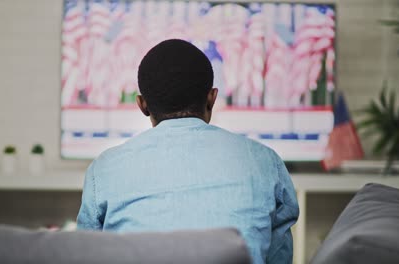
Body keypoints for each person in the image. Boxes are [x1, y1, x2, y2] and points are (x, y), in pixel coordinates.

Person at [77, 39, 299, 264]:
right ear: (212, 98)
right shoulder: (266, 163)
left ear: (142, 105)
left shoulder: (104, 170)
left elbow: (86, 256)